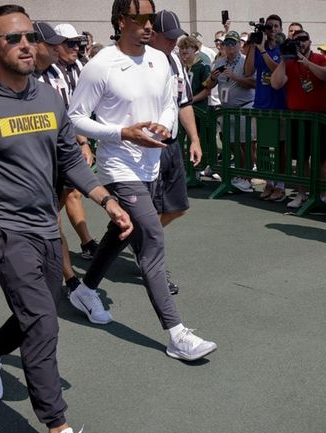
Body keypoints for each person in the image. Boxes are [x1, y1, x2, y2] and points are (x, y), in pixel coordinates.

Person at [0, 5, 132, 433]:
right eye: (13, 38)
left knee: (35, 313)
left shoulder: (47, 97)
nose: (26, 45)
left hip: (46, 226)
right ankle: (57, 425)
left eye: (29, 36)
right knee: (43, 322)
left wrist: (106, 200)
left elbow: (69, 160)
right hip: (0, 230)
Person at [67, 0, 217, 361]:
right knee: (150, 240)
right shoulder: (100, 66)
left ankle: (85, 290)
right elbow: (74, 118)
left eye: (152, 17)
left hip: (152, 165)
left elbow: (169, 101)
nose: (149, 25)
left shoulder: (161, 59)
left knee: (121, 232)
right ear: (122, 21)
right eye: (141, 18)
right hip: (119, 169)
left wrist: (165, 123)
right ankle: (177, 335)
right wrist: (122, 134)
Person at [32, 21, 98, 292]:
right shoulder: (23, 77)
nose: (72, 48)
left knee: (69, 196)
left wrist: (82, 141)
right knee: (49, 214)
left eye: (75, 43)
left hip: (63, 148)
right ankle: (70, 279)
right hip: (37, 158)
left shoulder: (62, 72)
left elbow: (66, 113)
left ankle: (79, 254)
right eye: (63, 43)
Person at [149, 9, 203, 295]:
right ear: (153, 34)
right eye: (167, 37)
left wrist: (194, 138)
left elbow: (185, 103)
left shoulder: (176, 63)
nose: (173, 43)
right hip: (145, 148)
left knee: (178, 206)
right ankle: (153, 264)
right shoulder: (140, 61)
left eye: (175, 38)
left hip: (171, 146)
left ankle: (139, 240)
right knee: (149, 211)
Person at [270, 28, 326, 208]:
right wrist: (283, 59)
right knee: (301, 158)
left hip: (319, 117)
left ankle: (321, 193)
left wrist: (306, 62)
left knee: (321, 159)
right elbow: (276, 84)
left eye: (304, 39)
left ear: (310, 41)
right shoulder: (289, 63)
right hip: (297, 118)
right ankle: (302, 194)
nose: (301, 43)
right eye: (297, 40)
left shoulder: (320, 59)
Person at [205, 30, 256, 192]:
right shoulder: (219, 62)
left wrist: (234, 77)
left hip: (244, 107)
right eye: (227, 43)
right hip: (226, 110)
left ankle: (247, 178)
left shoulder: (245, 61)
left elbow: (253, 83)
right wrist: (212, 78)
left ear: (239, 45)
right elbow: (208, 85)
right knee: (232, 143)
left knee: (246, 144)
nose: (229, 46)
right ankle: (240, 175)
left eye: (233, 43)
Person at [243, 14, 287, 201]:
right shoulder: (259, 46)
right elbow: (248, 71)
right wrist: (254, 46)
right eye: (269, 26)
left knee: (281, 147)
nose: (272, 29)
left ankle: (281, 185)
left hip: (280, 105)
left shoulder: (283, 47)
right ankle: (269, 182)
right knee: (264, 147)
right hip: (261, 104)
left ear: (280, 28)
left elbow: (278, 68)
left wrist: (262, 51)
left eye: (276, 26)